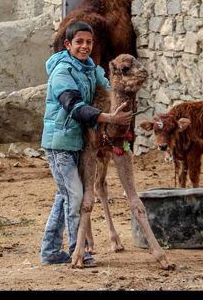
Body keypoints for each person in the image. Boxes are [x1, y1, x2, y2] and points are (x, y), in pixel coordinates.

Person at [39, 20, 133, 267]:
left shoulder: (92, 69)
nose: (84, 46)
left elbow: (110, 91)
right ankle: (76, 250)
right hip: (59, 142)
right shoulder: (61, 72)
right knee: (75, 195)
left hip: (79, 142)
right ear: (68, 44)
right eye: (79, 42)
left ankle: (50, 250)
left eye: (89, 42)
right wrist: (109, 118)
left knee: (66, 195)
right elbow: (74, 106)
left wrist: (126, 89)